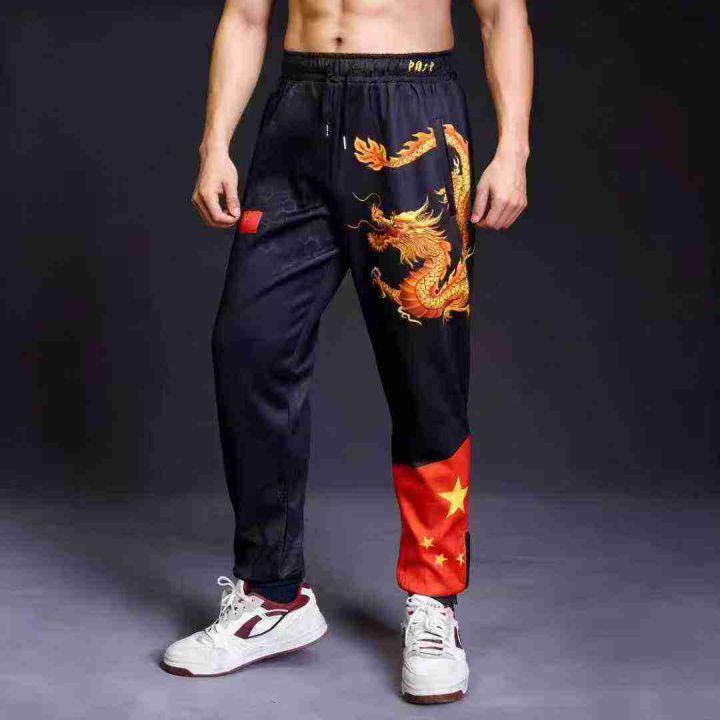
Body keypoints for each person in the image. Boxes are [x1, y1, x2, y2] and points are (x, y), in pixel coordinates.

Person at [163, 0, 532, 704]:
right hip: (297, 116)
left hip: (411, 109)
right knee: (249, 348)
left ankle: (434, 600)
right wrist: (215, 143)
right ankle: (271, 594)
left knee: (426, 372)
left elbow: (501, 16)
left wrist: (513, 148)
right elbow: (246, 17)